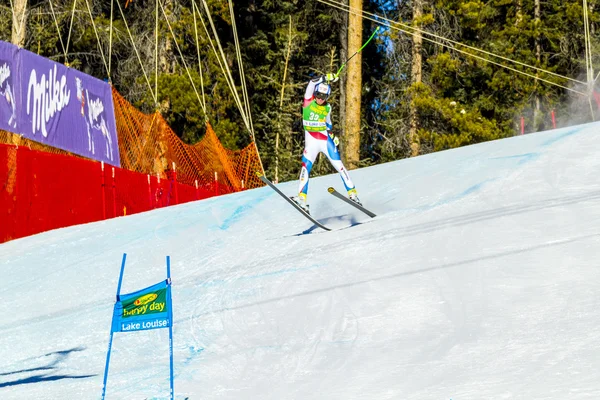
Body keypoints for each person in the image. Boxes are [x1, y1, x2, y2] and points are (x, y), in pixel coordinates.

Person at [292, 73, 361, 214]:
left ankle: (353, 193)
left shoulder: (327, 108)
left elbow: (328, 124)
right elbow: (311, 82)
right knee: (305, 167)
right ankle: (302, 198)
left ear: (327, 97)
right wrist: (326, 77)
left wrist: (332, 136)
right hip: (311, 142)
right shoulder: (308, 101)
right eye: (318, 94)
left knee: (339, 166)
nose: (319, 98)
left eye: (323, 97)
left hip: (324, 141)